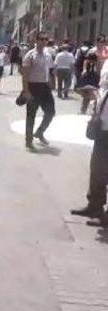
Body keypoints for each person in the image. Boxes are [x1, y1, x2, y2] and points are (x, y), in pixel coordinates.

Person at [70, 59, 108, 226]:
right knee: (97, 170)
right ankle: (94, 206)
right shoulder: (107, 62)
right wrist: (93, 95)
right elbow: (104, 89)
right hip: (102, 126)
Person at [21, 32, 55, 150]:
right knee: (31, 115)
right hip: (33, 87)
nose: (44, 41)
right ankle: (28, 140)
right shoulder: (30, 55)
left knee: (50, 112)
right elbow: (25, 75)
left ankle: (40, 132)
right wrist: (26, 91)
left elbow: (49, 71)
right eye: (42, 39)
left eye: (46, 39)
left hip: (44, 87)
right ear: (36, 40)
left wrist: (51, 83)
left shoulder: (48, 55)